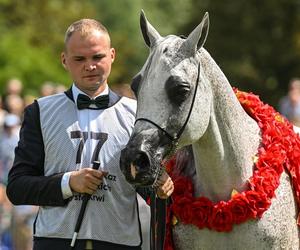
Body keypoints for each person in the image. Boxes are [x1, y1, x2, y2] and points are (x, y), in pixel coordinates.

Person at [6, 18, 174, 250]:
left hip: (119, 242)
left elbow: (142, 184)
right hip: (55, 242)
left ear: (112, 55)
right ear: (64, 60)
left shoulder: (137, 114)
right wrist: (69, 182)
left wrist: (158, 185)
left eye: (97, 57)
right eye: (79, 59)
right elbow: (17, 187)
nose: (90, 66)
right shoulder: (40, 111)